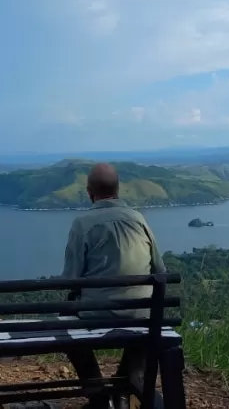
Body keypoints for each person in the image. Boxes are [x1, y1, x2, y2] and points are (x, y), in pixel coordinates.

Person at [61, 162, 166, 409]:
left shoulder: (82, 224)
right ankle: (124, 386)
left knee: (65, 324)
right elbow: (160, 271)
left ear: (89, 192)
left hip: (97, 316)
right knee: (145, 320)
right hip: (142, 316)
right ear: (118, 190)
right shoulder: (138, 219)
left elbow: (70, 280)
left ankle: (98, 396)